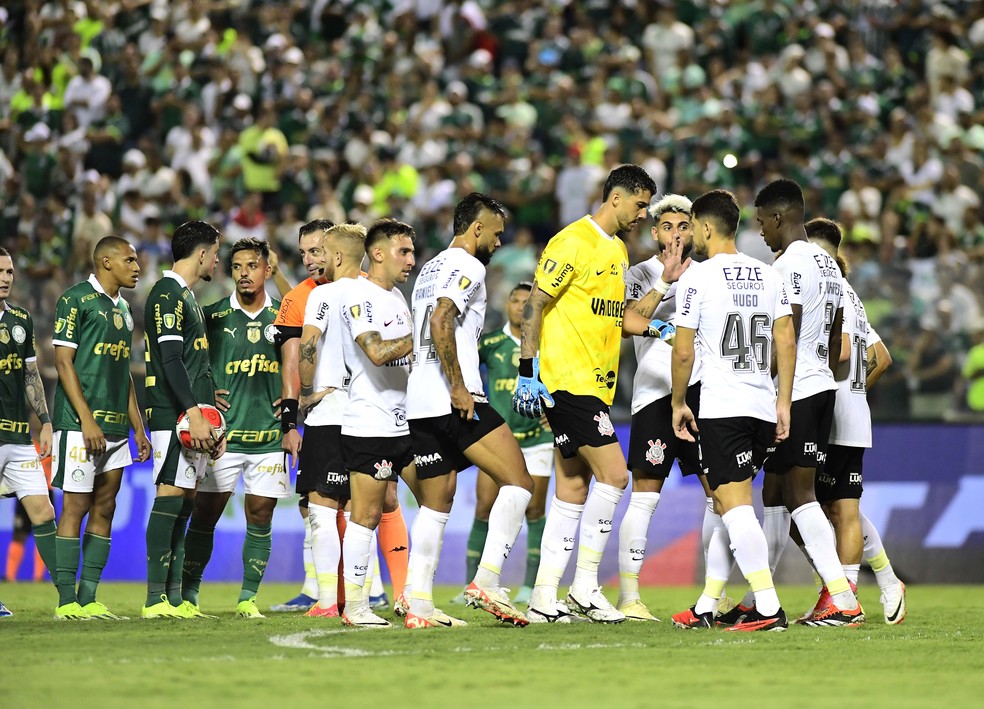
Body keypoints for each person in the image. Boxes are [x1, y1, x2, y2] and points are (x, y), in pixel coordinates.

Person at [513, 164, 667, 623]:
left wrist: (655, 325)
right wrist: (527, 369)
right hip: (567, 383)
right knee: (616, 476)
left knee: (574, 488)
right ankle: (584, 586)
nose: (643, 214)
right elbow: (535, 304)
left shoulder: (618, 250)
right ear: (616, 198)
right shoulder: (572, 241)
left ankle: (543, 596)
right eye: (640, 205)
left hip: (593, 387)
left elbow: (612, 314)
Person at [669, 189, 796, 631]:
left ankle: (766, 605)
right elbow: (787, 340)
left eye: (692, 229)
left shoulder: (697, 278)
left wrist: (679, 402)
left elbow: (683, 351)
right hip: (762, 406)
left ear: (705, 227)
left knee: (733, 504)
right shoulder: (769, 275)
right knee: (728, 504)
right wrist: (783, 402)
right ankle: (707, 604)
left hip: (724, 407)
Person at [407, 194, 534, 628]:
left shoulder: (429, 268)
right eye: (496, 234)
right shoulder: (468, 265)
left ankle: (417, 600)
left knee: (436, 504)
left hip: (420, 401)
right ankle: (488, 580)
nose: (498, 243)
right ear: (477, 228)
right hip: (453, 399)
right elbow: (441, 320)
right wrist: (459, 386)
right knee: (518, 482)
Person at [749, 179, 864, 627]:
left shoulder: (788, 264)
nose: (760, 231)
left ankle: (841, 597)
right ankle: (757, 596)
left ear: (779, 218)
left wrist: (771, 391)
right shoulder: (829, 264)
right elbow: (836, 340)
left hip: (795, 392)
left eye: (761, 222)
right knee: (774, 491)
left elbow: (786, 333)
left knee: (799, 495)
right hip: (821, 386)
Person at [805, 218, 907, 625]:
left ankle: (844, 597)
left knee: (823, 508)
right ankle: (878, 582)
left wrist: (830, 384)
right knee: (830, 507)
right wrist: (858, 391)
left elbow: (842, 350)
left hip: (831, 413)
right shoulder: (852, 294)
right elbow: (881, 358)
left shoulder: (831, 291)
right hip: (849, 412)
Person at [179, 237, 285, 619]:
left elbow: (303, 363)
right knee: (205, 514)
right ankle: (189, 595)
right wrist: (204, 393)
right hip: (222, 437)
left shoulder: (284, 317)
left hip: (269, 436)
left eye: (252, 266)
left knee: (260, 515)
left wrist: (295, 399)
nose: (244, 273)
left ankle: (247, 599)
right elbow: (184, 358)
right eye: (237, 266)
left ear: (267, 271)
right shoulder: (213, 316)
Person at [50, 236, 151, 620]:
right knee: (75, 506)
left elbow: (122, 370)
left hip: (115, 430)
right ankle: (65, 602)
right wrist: (86, 418)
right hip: (79, 426)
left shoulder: (124, 309)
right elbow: (63, 364)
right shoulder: (75, 300)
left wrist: (137, 426)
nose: (137, 267)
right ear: (106, 262)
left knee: (105, 507)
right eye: (129, 260)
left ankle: (88, 596)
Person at [617, 194, 707, 622]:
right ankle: (630, 597)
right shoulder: (639, 273)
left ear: (694, 229)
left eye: (683, 226)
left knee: (720, 496)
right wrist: (665, 281)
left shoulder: (709, 275)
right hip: (653, 396)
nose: (675, 234)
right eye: (667, 227)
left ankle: (715, 595)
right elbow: (626, 320)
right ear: (654, 232)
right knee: (645, 497)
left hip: (703, 394)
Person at [335, 219, 418, 628]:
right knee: (365, 515)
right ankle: (355, 606)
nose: (411, 260)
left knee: (439, 495)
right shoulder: (359, 295)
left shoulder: (398, 297)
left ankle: (413, 597)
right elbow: (377, 353)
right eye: (404, 252)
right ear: (379, 252)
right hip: (370, 422)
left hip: (406, 422)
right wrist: (425, 337)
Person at [141, 220, 223, 619]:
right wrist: (193, 413)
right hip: (172, 416)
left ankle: (174, 599)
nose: (218, 261)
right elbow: (171, 360)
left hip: (191, 418)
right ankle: (155, 599)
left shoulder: (186, 297)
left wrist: (210, 415)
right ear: (203, 253)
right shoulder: (167, 295)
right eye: (216, 253)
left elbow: (192, 364)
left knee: (185, 500)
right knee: (170, 495)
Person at [461, 281, 552, 607]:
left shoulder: (545, 343)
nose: (520, 306)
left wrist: (556, 415)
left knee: (535, 510)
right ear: (508, 304)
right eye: (514, 300)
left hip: (537, 438)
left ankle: (530, 586)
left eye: (526, 301)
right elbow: (464, 364)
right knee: (484, 508)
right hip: (498, 441)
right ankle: (472, 582)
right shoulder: (492, 343)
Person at [269, 218, 334, 613]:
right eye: (304, 253)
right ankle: (317, 587)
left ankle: (375, 588)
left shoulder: (364, 286)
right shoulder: (299, 297)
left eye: (316, 251)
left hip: (365, 410)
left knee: (378, 499)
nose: (309, 259)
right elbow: (291, 365)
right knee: (313, 502)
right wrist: (291, 421)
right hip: (318, 413)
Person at [0, 246, 59, 616]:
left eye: (8, 272)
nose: (5, 277)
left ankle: (69, 598)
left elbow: (30, 375)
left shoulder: (20, 320)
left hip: (19, 435)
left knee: (44, 512)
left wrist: (46, 420)